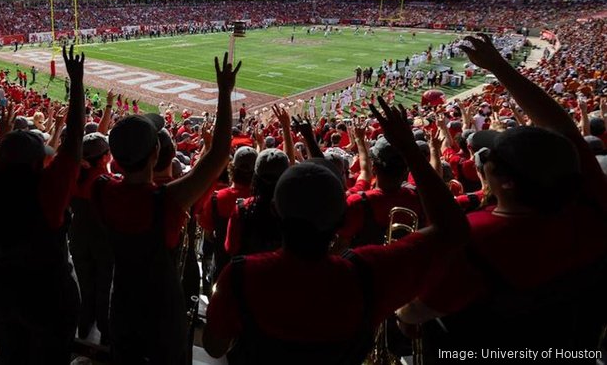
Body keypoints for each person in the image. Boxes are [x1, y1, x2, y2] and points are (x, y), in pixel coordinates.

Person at [203, 97, 470, 363]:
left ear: (276, 210)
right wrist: (410, 151)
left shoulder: (240, 275)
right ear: (339, 217)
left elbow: (215, 347)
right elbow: (453, 230)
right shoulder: (367, 272)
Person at [397, 34, 607, 356]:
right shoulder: (591, 201)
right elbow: (562, 127)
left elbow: (414, 311)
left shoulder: (477, 236)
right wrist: (498, 67)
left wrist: (401, 313)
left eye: (491, 159)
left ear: (506, 183)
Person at [91, 52, 241, 364]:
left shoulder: (101, 188)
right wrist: (224, 94)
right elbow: (218, 155)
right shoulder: (168, 199)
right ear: (156, 151)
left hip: (121, 299)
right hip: (162, 306)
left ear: (114, 159)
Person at [0, 45, 85, 364]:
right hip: (47, 291)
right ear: (38, 163)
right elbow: (75, 138)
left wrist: (5, 137)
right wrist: (76, 82)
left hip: (2, 284)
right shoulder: (48, 193)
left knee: (11, 354)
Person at [71, 132, 113, 345]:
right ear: (105, 157)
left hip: (78, 236)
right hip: (102, 241)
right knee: (104, 287)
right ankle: (105, 330)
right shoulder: (109, 182)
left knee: (85, 284)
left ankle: (84, 323)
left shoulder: (75, 176)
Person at [199, 146, 257, 293]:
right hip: (254, 274)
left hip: (223, 272)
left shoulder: (217, 198)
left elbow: (207, 235)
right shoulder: (262, 202)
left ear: (233, 167)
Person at [224, 148, 290, 257]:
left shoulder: (242, 209)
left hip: (251, 271)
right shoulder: (295, 209)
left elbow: (231, 248)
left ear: (256, 177)